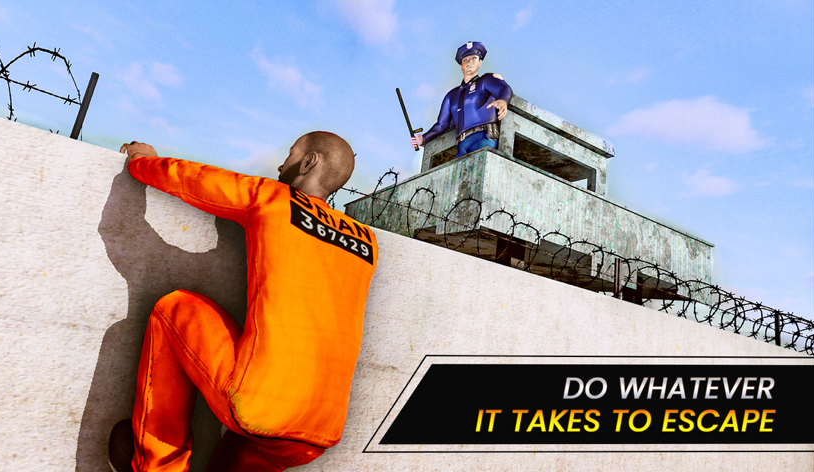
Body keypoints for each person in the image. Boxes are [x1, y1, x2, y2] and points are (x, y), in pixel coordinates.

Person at [111, 132, 379, 472]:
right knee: (252, 440)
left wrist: (143, 160)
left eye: (291, 154)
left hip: (260, 409)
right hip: (317, 433)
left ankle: (157, 465)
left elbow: (193, 180)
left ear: (309, 162)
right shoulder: (366, 242)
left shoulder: (271, 197)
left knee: (174, 309)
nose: (282, 164)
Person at [410, 41, 513, 157]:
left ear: (480, 62)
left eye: (474, 58)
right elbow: (441, 124)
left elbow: (503, 88)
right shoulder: (451, 95)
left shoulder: (486, 80)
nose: (469, 63)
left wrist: (504, 100)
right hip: (462, 146)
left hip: (483, 138)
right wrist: (423, 139)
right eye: (465, 60)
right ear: (461, 67)